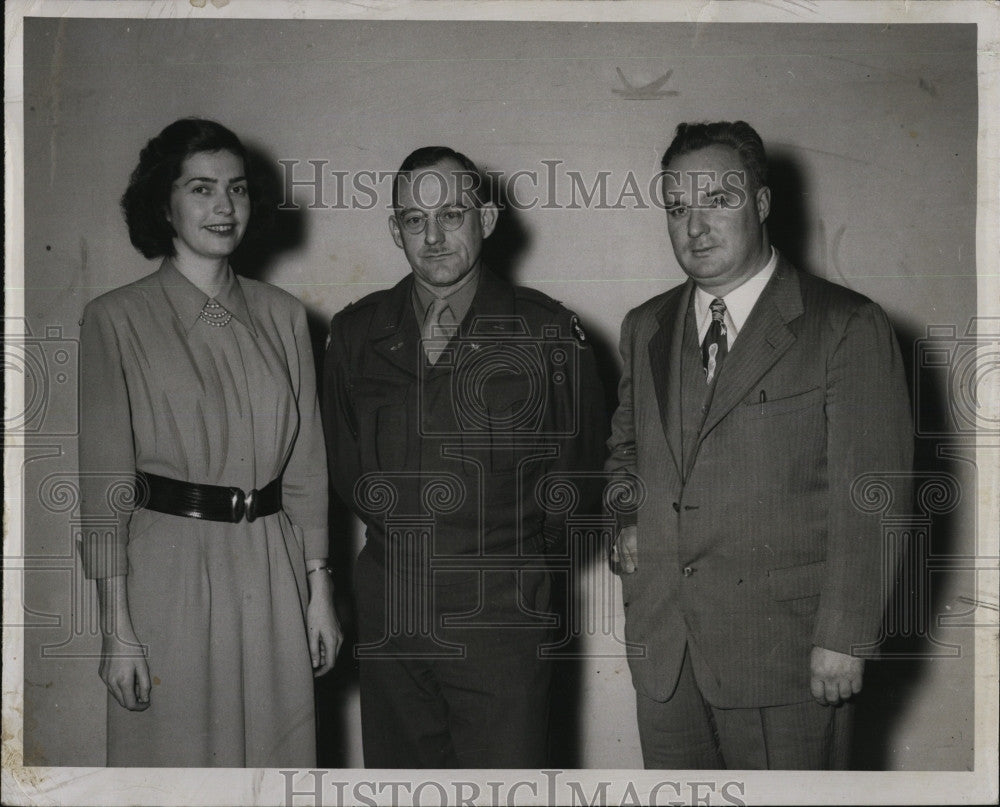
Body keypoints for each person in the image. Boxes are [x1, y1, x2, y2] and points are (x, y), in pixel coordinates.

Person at [606, 121, 913, 769]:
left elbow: (873, 498)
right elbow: (625, 452)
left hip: (788, 658)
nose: (695, 226)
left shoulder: (845, 325)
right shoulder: (645, 326)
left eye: (718, 200)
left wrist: (845, 637)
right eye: (678, 207)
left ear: (763, 204)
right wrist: (625, 518)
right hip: (666, 654)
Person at [322, 146, 606, 767]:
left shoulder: (546, 331)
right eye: (415, 221)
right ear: (394, 229)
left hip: (501, 610)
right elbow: (347, 471)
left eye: (452, 215)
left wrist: (508, 556)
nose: (434, 236)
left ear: (489, 218)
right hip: (393, 603)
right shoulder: (356, 333)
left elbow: (577, 480)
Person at [78, 118, 342, 767]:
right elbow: (104, 484)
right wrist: (117, 629)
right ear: (163, 204)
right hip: (168, 572)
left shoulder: (282, 316)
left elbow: (307, 466)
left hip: (271, 566)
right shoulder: (116, 318)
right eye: (201, 189)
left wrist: (320, 593)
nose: (224, 207)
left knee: (274, 762)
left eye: (238, 189)